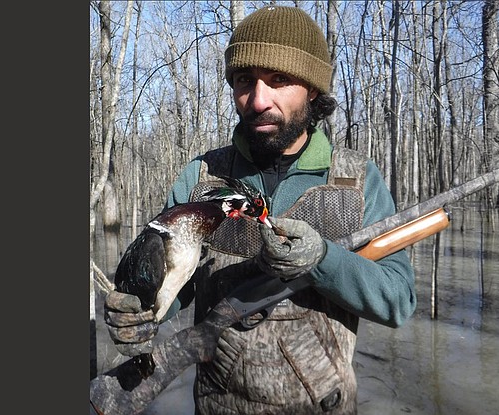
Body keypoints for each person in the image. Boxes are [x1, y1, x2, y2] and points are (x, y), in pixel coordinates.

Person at [104, 5, 416, 415]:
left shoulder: (355, 182)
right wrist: (141, 316)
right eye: (244, 80)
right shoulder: (201, 178)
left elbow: (397, 302)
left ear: (314, 91)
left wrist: (323, 259)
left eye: (280, 79)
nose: (258, 100)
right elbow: (174, 285)